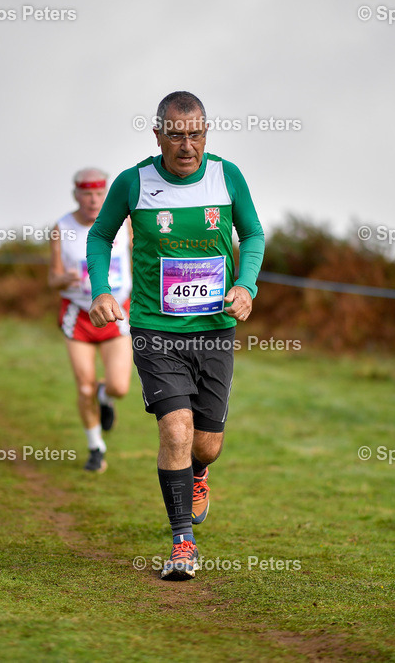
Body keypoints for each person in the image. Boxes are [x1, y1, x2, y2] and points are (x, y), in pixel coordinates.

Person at [87, 91, 265, 580]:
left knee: (206, 446)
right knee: (174, 430)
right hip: (155, 327)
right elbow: (100, 235)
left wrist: (245, 285)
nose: (186, 145)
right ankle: (182, 542)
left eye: (195, 134)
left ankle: (200, 475)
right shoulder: (133, 182)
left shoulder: (227, 177)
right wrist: (101, 290)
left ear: (206, 133)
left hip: (213, 330)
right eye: (176, 134)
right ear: (158, 134)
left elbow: (253, 234)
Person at [49, 168, 133, 473]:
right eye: (87, 194)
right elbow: (52, 278)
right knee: (83, 388)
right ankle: (96, 447)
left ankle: (104, 395)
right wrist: (64, 279)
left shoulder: (126, 222)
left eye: (99, 193)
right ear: (76, 195)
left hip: (117, 313)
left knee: (119, 387)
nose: (93, 200)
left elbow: (143, 259)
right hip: (80, 315)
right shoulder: (62, 227)